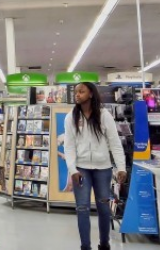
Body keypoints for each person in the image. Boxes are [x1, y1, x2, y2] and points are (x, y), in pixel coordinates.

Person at [64, 82, 127, 251]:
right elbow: (69, 147)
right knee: (82, 208)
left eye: (81, 91)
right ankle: (85, 247)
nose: (77, 95)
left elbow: (115, 143)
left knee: (104, 208)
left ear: (91, 94)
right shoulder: (71, 117)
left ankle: (104, 244)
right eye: (76, 92)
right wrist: (73, 170)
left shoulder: (104, 115)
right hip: (81, 169)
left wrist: (121, 167)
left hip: (103, 169)